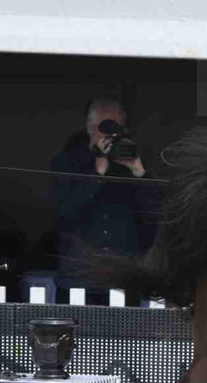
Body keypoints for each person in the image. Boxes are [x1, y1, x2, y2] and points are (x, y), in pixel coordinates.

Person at [50, 95, 155, 304]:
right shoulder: (67, 162)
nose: (109, 134)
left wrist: (139, 173)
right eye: (104, 127)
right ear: (89, 127)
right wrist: (97, 175)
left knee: (126, 338)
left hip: (123, 281)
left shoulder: (132, 161)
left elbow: (154, 218)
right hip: (77, 281)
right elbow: (63, 213)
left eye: (115, 127)